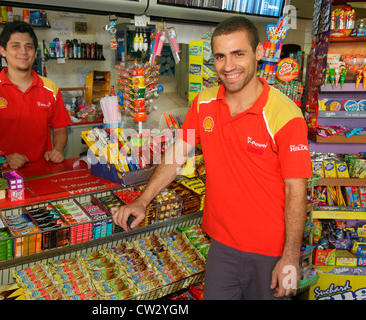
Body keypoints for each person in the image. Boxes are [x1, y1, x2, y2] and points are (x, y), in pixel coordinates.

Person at [111, 16, 312, 300]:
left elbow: (296, 190)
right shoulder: (203, 103)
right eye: (220, 56)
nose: (228, 66)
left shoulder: (285, 115)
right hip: (221, 246)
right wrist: (142, 201)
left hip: (269, 250)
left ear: (259, 52)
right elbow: (175, 157)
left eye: (238, 54)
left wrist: (290, 256)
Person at [0, 22, 71, 169]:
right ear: (2, 51)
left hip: (43, 172)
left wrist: (57, 150)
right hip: (0, 175)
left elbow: (60, 129)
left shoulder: (50, 88)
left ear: (35, 53)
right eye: (15, 46)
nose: (23, 52)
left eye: (29, 47)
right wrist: (3, 159)